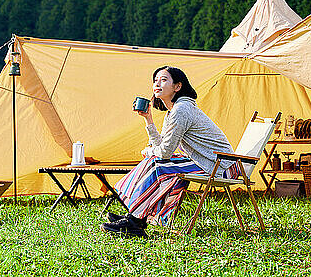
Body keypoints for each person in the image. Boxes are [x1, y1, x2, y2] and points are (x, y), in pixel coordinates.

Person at [100, 66, 239, 238]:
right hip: (208, 162)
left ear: (177, 87)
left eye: (163, 80)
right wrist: (148, 119)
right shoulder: (174, 111)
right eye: (155, 80)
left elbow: (163, 153)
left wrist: (150, 151)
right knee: (158, 162)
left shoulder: (181, 110)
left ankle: (135, 219)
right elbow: (163, 146)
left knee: (156, 164)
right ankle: (137, 217)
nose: (157, 83)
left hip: (222, 167)